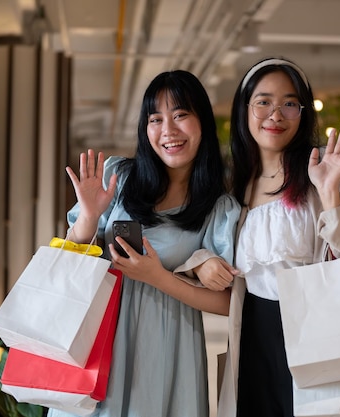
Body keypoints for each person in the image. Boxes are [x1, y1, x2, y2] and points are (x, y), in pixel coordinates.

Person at [48, 70, 241, 417]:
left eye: (180, 115)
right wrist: (90, 218)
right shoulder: (118, 177)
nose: (168, 130)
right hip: (101, 339)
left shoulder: (218, 206)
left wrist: (162, 276)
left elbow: (229, 303)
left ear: (203, 122)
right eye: (156, 119)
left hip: (168, 349)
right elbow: (69, 264)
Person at [211, 57, 340, 417]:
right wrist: (204, 264)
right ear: (245, 110)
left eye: (289, 103)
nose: (275, 115)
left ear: (303, 113)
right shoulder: (234, 189)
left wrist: (330, 195)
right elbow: (212, 254)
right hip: (254, 337)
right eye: (263, 102)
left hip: (320, 334)